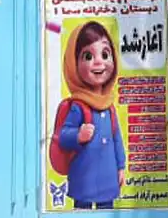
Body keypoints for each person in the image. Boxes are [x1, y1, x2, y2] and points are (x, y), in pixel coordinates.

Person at [57, 21, 126, 210]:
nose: (99, 62)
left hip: (108, 176)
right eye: (88, 56)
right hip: (84, 176)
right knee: (82, 209)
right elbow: (63, 135)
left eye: (105, 54)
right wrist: (78, 135)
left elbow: (116, 138)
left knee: (107, 209)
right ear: (73, 63)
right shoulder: (78, 106)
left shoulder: (109, 107)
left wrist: (121, 166)